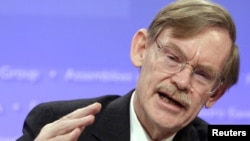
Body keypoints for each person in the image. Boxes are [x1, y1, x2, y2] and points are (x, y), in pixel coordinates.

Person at [17, 0, 240, 140]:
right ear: (141, 49)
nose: (182, 81)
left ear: (216, 93)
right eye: (172, 58)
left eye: (202, 74)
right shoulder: (54, 123)